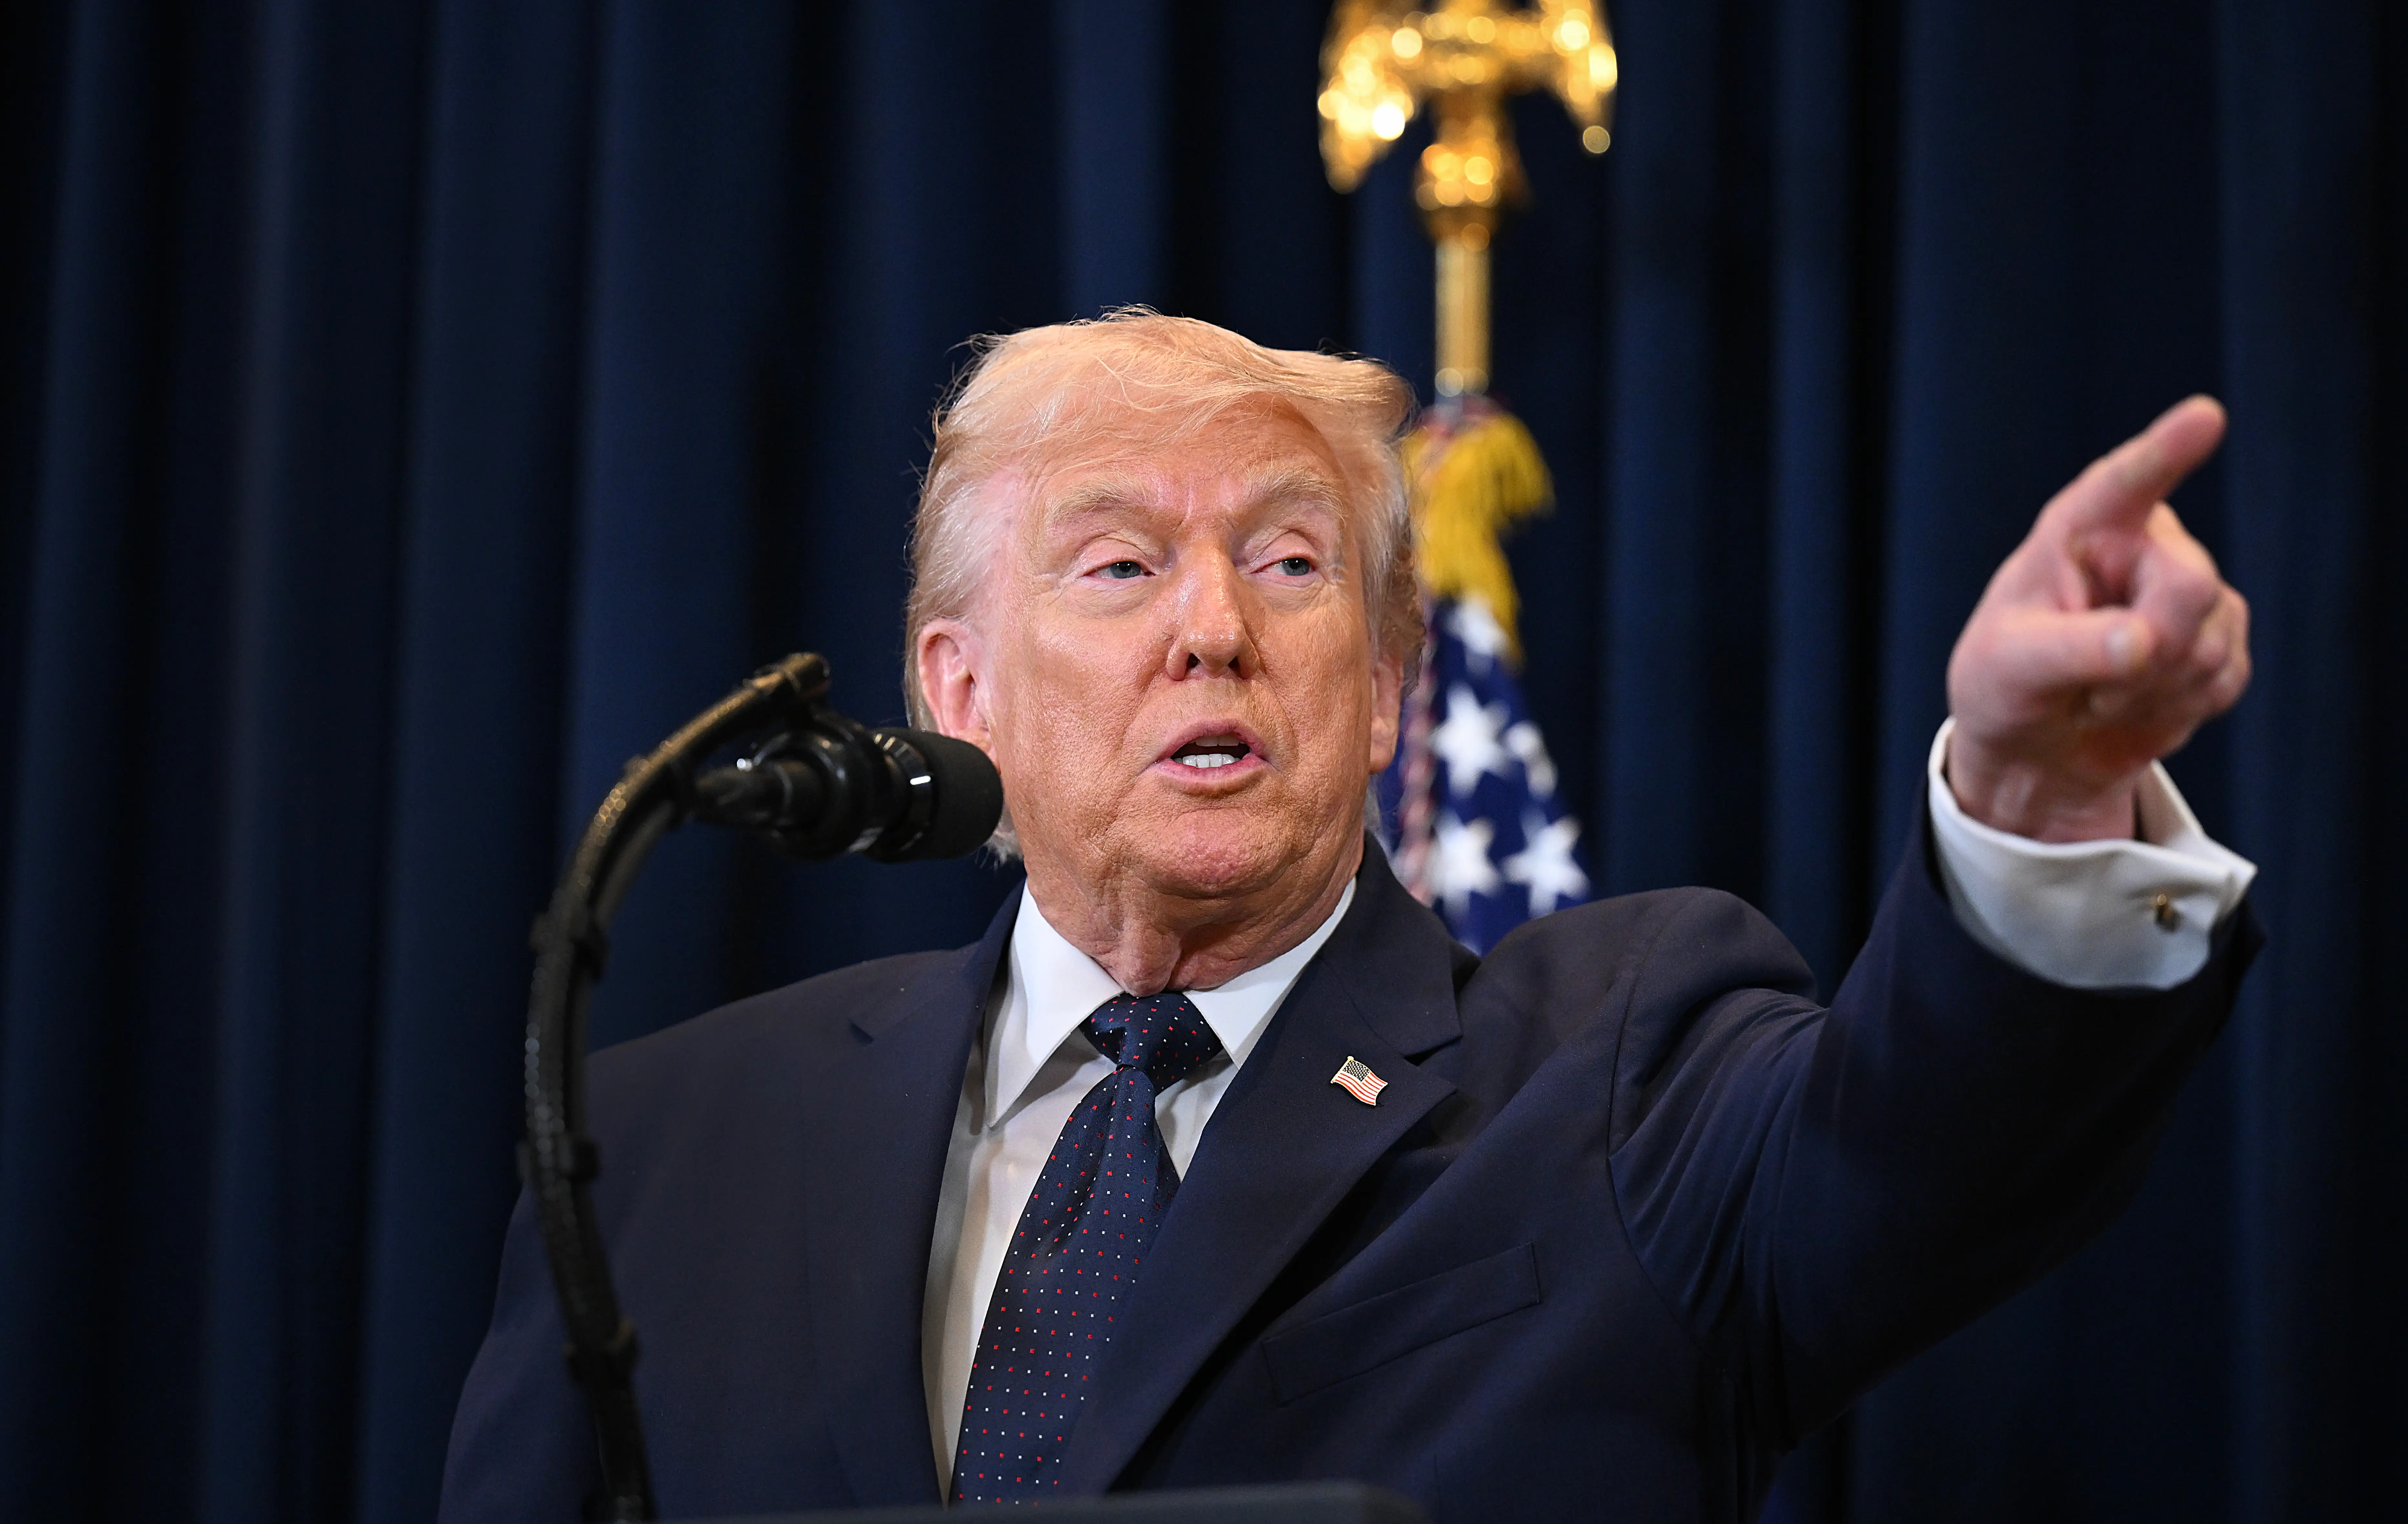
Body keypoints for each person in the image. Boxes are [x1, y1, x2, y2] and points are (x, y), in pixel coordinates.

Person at [442, 313, 2259, 1522]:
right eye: (1120, 564)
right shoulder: (671, 1139)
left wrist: (2033, 808)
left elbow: (1921, 1148)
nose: (1215, 626)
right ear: (957, 690)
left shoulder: (1619, 1071)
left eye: (1292, 562)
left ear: (1387, 685)